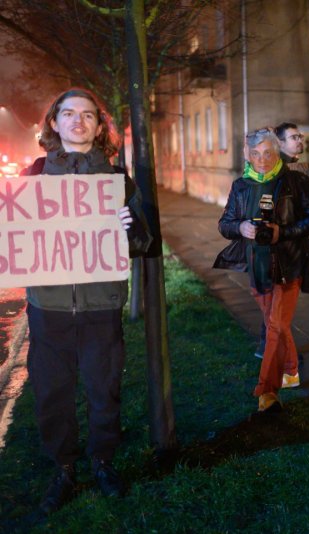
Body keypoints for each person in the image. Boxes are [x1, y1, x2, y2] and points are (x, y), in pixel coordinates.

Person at [22, 88, 152, 513]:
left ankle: (102, 460)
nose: (78, 121)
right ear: (54, 123)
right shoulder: (34, 178)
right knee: (51, 393)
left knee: (104, 389)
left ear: (99, 127)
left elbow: (145, 242)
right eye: (69, 113)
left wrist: (127, 227)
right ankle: (64, 467)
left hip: (100, 306)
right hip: (49, 308)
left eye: (88, 115)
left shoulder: (117, 181)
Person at [214, 128, 309, 412]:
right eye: (255, 154)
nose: (262, 159)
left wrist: (282, 232)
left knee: (275, 325)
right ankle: (291, 369)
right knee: (277, 323)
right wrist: (240, 227)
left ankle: (267, 390)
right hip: (256, 266)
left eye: (267, 153)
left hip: (288, 264)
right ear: (247, 155)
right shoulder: (241, 185)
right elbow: (225, 223)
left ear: (277, 153)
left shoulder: (296, 181)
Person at [251, 122, 307, 360]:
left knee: (279, 306)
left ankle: (269, 347)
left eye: (300, 136)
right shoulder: (275, 170)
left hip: (295, 244)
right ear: (280, 143)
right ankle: (277, 353)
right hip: (278, 247)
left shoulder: (299, 168)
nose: (300, 140)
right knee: (277, 304)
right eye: (294, 137)